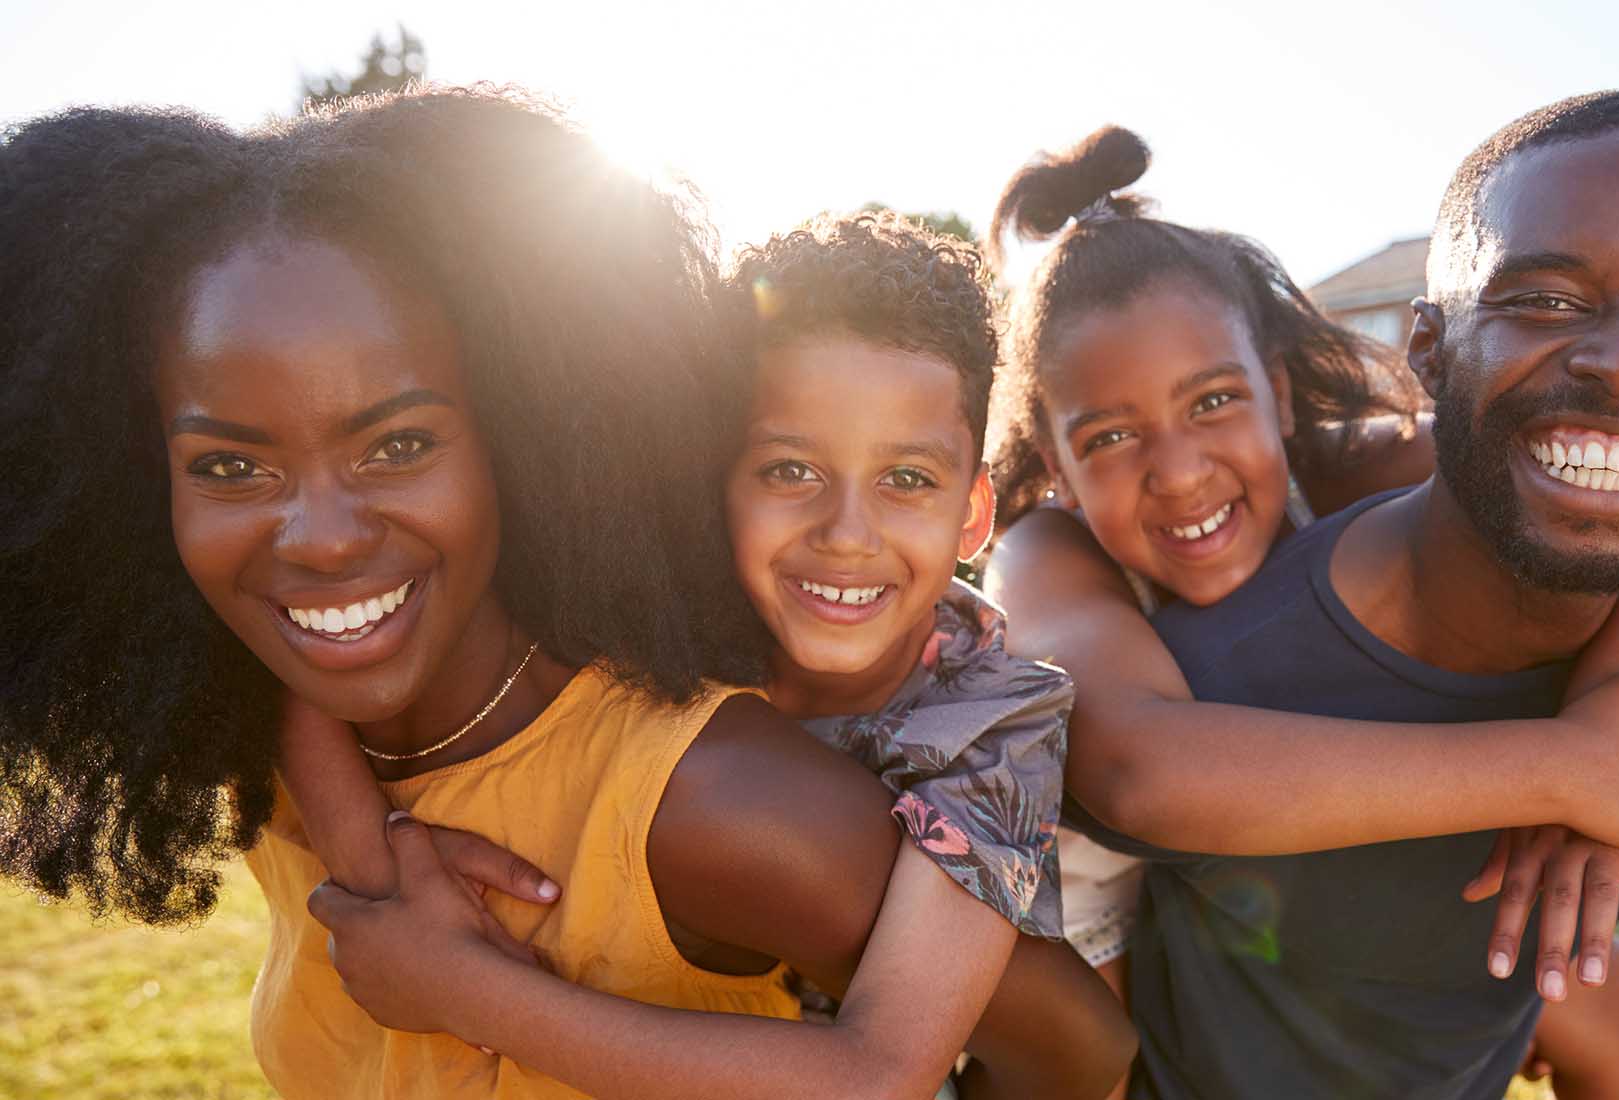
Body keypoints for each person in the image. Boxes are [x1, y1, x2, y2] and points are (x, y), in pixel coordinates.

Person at [0, 90, 1123, 1100]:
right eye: (232, 465)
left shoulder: (719, 805)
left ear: (523, 429)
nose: (323, 539)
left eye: (397, 443)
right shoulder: (267, 708)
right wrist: (371, 850)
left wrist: (464, 983)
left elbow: (1072, 1050)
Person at [996, 94, 1619, 1099]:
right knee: (1072, 1040)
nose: (1180, 470)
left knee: (1603, 996)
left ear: (1276, 392)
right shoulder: (1047, 546)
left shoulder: (1383, 455)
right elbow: (1138, 768)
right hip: (1090, 872)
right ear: (1051, 463)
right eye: (1107, 437)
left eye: (1213, 401)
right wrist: (1577, 767)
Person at [285, 211, 1132, 1097]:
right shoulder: (646, 620)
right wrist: (376, 860)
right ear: (714, 480)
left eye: (907, 480)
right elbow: (305, 651)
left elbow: (880, 1076)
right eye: (789, 471)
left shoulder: (994, 728)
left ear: (973, 515)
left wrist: (466, 990)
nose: (846, 534)